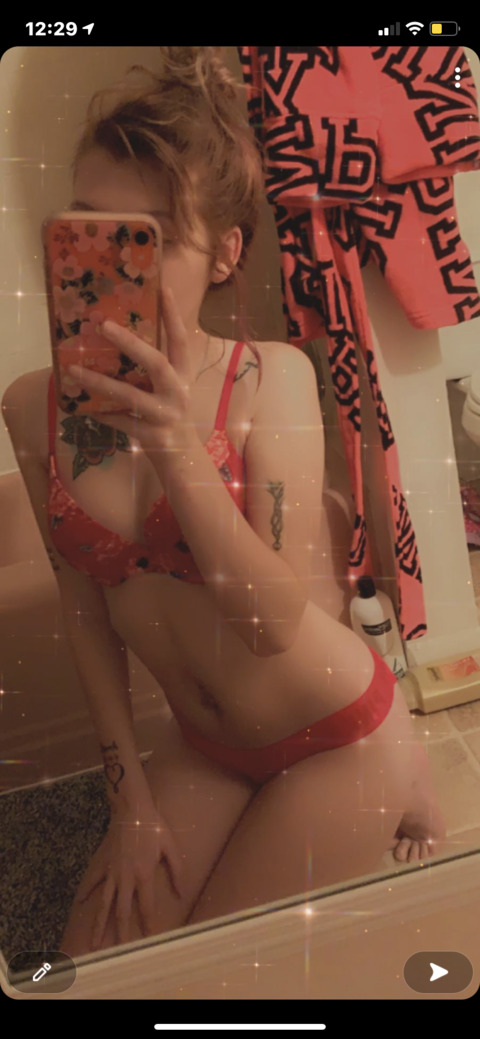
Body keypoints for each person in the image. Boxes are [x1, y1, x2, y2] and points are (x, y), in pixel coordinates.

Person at [2, 47, 446, 958]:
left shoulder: (267, 379)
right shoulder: (32, 405)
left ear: (225, 254)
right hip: (205, 745)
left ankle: (407, 777)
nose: (112, 264)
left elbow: (273, 625)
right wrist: (128, 801)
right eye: (89, 226)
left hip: (336, 732)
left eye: (152, 237)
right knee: (92, 962)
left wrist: (175, 446)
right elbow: (85, 614)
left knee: (213, 968)